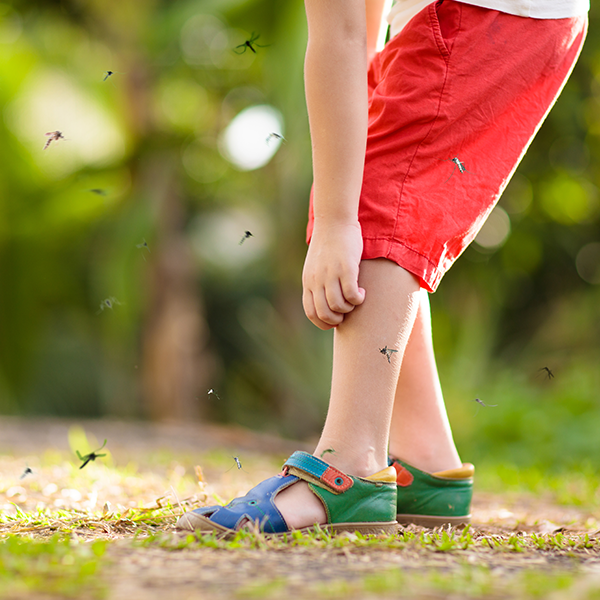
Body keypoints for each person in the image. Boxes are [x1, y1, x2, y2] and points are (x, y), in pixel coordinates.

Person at [177, 0, 589, 535]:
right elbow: (361, 30)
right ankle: (426, 460)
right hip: (507, 17)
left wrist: (336, 223)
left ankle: (351, 465)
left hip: (480, 16)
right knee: (369, 182)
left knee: (374, 203)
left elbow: (342, 36)